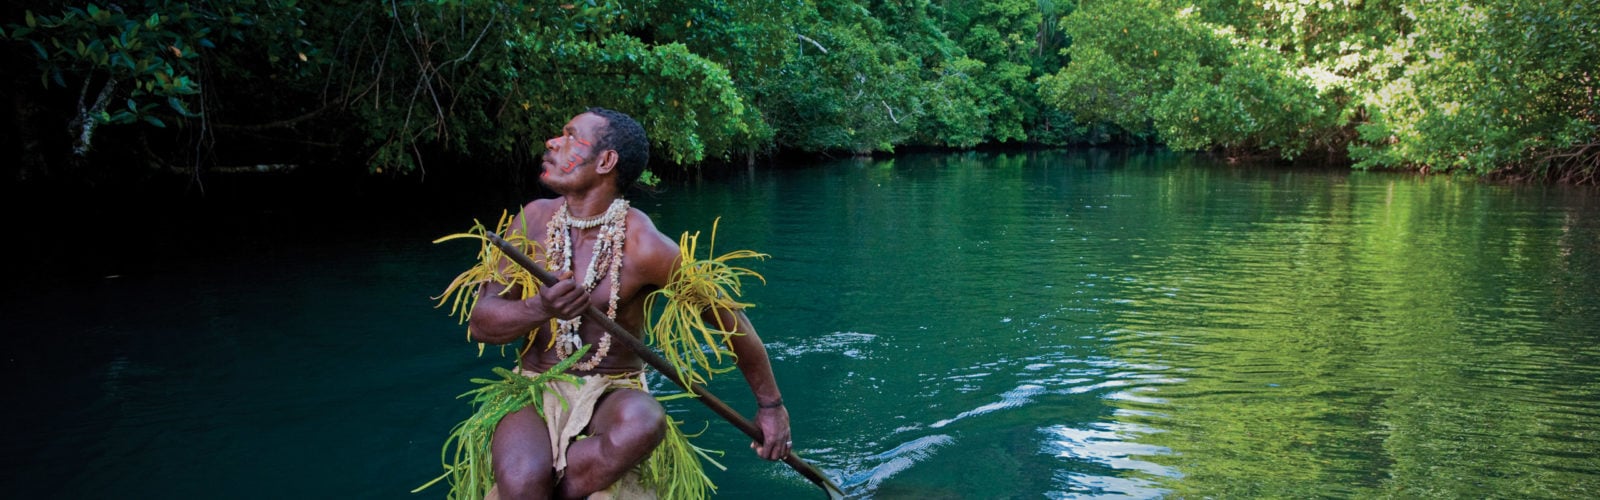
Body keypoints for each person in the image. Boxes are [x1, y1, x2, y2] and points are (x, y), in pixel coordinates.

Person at [463, 107, 792, 499]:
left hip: (611, 393)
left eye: (569, 136)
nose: (552, 142)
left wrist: (771, 407)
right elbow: (481, 323)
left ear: (605, 161)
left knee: (645, 420)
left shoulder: (647, 246)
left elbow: (730, 319)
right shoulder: (531, 220)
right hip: (533, 386)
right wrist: (542, 308)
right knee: (521, 480)